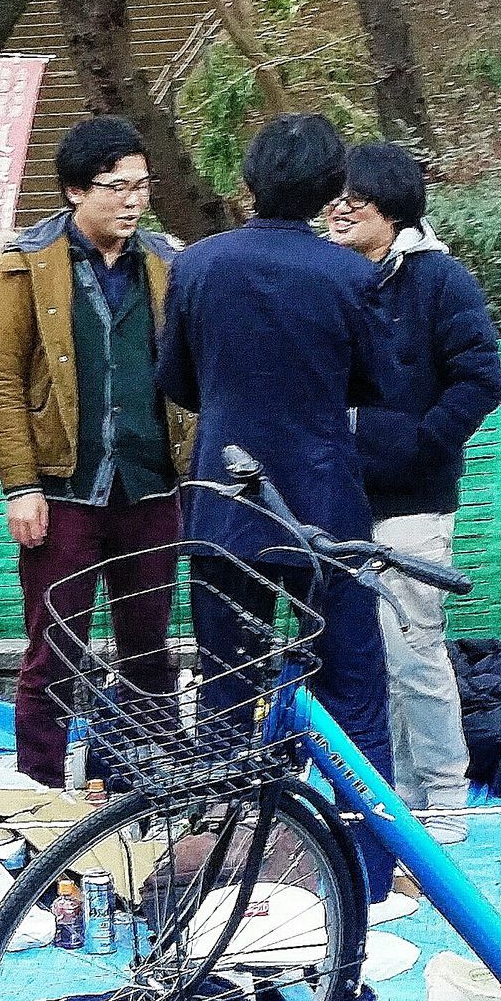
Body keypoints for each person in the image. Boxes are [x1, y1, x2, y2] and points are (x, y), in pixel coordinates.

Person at [156, 114, 394, 870]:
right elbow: (379, 381)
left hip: (225, 501)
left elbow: (176, 381)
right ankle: (366, 865)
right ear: (331, 191)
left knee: (227, 682)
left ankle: (225, 864)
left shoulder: (197, 265)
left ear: (249, 184)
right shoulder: (351, 274)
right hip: (325, 503)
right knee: (351, 681)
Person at [0, 116, 189, 788]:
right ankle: (38, 796)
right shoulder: (26, 264)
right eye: (115, 187)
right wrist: (20, 484)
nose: (131, 201)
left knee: (149, 651)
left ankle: (150, 790)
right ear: (75, 190)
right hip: (62, 491)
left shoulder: (165, 262)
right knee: (55, 653)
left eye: (140, 186)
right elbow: (3, 378)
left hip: (151, 487)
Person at [326, 143, 501, 831]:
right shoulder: (329, 276)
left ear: (393, 207)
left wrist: (420, 444)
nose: (338, 208)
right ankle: (384, 792)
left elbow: (481, 378)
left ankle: (443, 793)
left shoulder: (440, 280)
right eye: (334, 195)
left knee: (414, 650)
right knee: (357, 654)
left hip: (414, 503)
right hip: (336, 498)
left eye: (356, 197)